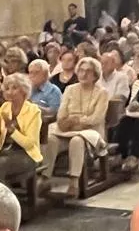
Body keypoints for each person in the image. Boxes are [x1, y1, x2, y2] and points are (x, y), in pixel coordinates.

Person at [42, 58, 111, 198]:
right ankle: (44, 178)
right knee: (51, 139)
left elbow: (95, 119)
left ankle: (74, 183)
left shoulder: (102, 93)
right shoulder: (70, 89)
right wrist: (73, 121)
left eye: (88, 71)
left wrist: (75, 120)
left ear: (95, 75)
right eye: (81, 70)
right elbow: (61, 115)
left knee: (77, 140)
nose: (83, 74)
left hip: (91, 133)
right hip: (67, 130)